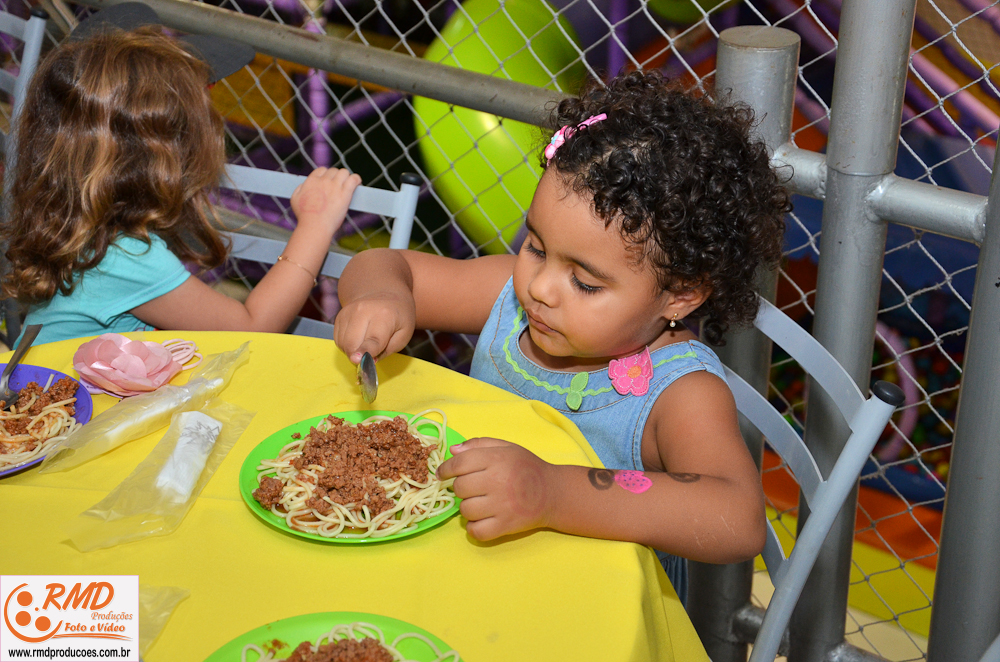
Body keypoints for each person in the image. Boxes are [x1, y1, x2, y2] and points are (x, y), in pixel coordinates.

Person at [334, 71, 790, 602]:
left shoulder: (679, 392)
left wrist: (550, 493)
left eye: (585, 283)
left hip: (596, 607)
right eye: (535, 246)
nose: (540, 288)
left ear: (680, 294)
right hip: (463, 576)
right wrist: (383, 296)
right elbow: (385, 265)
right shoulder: (508, 300)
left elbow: (736, 519)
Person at [1, 24, 360, 346]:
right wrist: (316, 223)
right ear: (161, 160)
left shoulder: (74, 220)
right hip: (67, 394)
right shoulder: (125, 258)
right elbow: (253, 326)